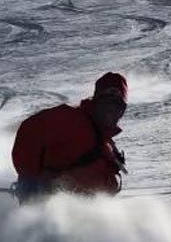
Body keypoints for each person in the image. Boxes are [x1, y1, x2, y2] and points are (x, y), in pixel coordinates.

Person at [10, 72, 129, 203]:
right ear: (96, 100)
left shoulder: (107, 145)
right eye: (106, 102)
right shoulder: (71, 119)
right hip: (47, 208)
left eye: (117, 105)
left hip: (82, 214)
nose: (111, 109)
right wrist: (29, 178)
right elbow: (30, 130)